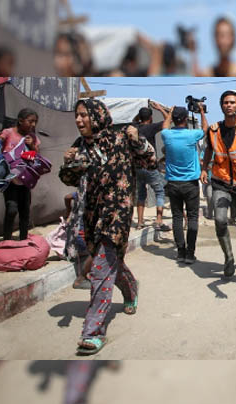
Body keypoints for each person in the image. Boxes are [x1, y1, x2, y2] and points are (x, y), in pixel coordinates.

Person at [59, 99, 156, 355]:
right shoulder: (80, 145)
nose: (79, 120)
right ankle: (130, 287)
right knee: (109, 260)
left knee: (101, 264)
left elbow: (151, 161)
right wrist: (68, 162)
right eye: (77, 116)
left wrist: (138, 140)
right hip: (93, 213)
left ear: (97, 115)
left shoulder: (121, 137)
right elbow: (69, 179)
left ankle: (92, 331)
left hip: (118, 212)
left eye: (83, 115)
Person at [201, 90, 236, 277]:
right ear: (221, 106)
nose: (229, 105)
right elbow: (209, 150)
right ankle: (229, 258)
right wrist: (204, 169)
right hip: (221, 182)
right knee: (219, 220)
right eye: (225, 102)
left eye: (232, 102)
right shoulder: (213, 129)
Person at [161, 104, 207, 263]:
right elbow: (205, 129)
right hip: (190, 183)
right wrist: (202, 112)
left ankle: (180, 252)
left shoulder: (167, 135)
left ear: (173, 119)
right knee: (192, 217)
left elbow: (164, 125)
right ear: (186, 119)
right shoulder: (192, 135)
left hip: (173, 183)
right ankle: (190, 253)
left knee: (177, 217)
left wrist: (169, 113)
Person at [0, 108, 40, 240]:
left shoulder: (32, 137)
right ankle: (7, 240)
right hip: (10, 179)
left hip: (25, 179)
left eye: (35, 122)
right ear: (21, 121)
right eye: (30, 121)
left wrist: (32, 146)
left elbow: (36, 157)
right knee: (11, 209)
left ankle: (23, 240)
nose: (33, 125)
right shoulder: (8, 133)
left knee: (24, 211)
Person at [134, 102, 171, 232]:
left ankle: (139, 222)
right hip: (151, 166)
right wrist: (160, 109)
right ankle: (159, 221)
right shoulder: (151, 127)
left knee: (141, 195)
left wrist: (138, 117)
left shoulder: (135, 128)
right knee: (159, 192)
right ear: (150, 117)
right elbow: (168, 121)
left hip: (138, 166)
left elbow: (134, 121)